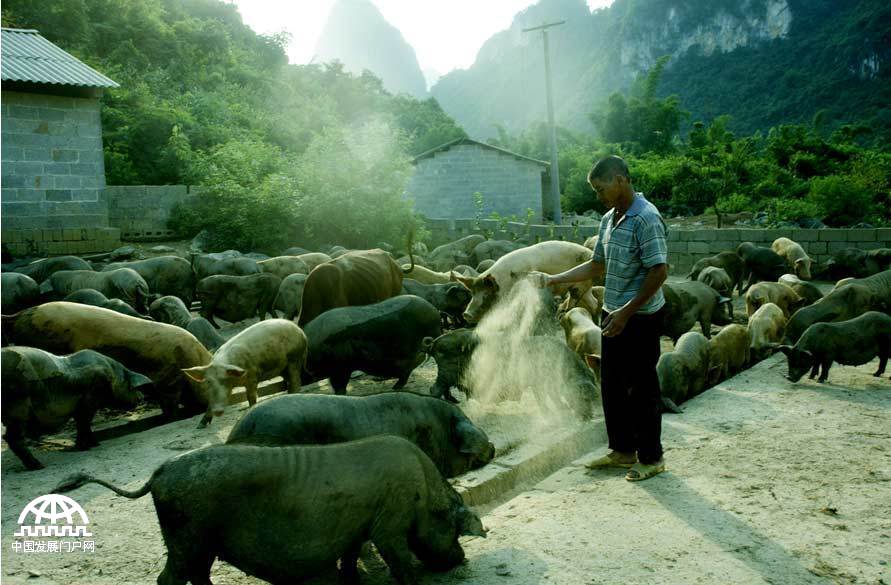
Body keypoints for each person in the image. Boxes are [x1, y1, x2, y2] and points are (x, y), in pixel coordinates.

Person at [539, 155, 668, 482]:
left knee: (642, 388)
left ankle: (652, 458)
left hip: (639, 317)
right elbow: (597, 265)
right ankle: (623, 451)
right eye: (595, 190)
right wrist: (557, 279)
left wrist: (627, 312)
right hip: (614, 312)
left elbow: (659, 271)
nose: (599, 196)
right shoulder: (610, 219)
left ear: (621, 179)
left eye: (601, 188)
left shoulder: (646, 219)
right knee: (611, 384)